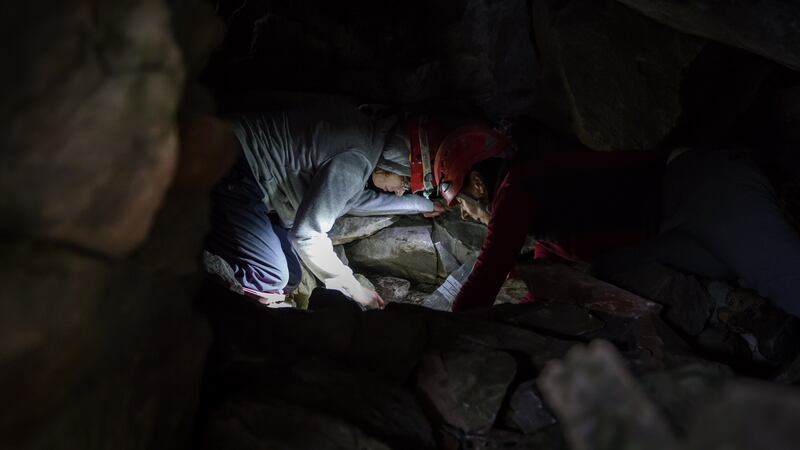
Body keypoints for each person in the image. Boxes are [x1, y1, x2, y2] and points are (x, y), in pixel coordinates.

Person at [206, 101, 442, 309]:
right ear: (397, 162)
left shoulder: (367, 137)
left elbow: (354, 201)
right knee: (269, 277)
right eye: (405, 181)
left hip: (247, 172)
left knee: (291, 277)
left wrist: (419, 204)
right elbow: (308, 235)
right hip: (231, 164)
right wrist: (352, 287)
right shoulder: (356, 161)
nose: (401, 191)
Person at [431, 124, 667, 312]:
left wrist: (452, 327)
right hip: (662, 212)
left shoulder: (515, 189)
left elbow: (488, 274)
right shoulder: (532, 186)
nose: (464, 213)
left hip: (671, 206)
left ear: (478, 183)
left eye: (462, 202)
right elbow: (546, 274)